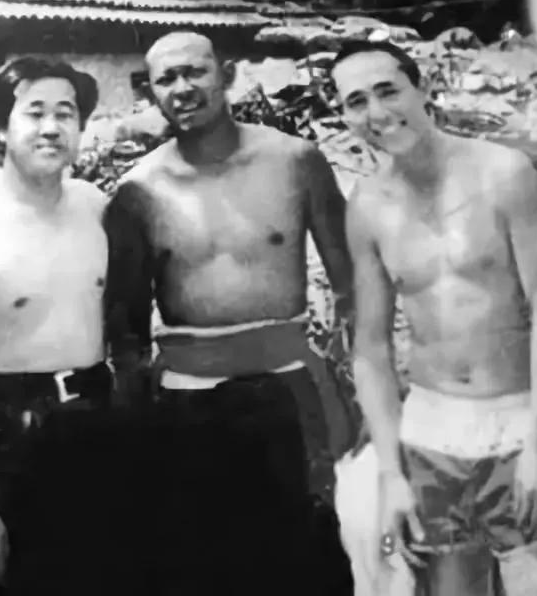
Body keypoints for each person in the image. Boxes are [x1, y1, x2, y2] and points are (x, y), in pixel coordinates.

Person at [104, 30, 356, 595]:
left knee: (308, 555)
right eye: (166, 79)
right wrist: (137, 424)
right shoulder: (137, 191)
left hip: (289, 385)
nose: (182, 88)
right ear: (151, 92)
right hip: (189, 396)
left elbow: (351, 285)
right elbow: (126, 327)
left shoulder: (296, 162)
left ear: (228, 73)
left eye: (195, 71)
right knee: (206, 563)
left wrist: (359, 388)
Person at [332, 39, 537, 595]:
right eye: (357, 101)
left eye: (388, 91)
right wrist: (391, 472)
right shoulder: (367, 206)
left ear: (424, 89)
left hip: (515, 416)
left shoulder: (503, 173)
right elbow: (370, 349)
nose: (377, 112)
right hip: (431, 429)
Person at [0, 57, 131, 595]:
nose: (51, 127)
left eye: (66, 113)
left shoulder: (95, 208)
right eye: (34, 112)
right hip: (10, 436)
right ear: (0, 128)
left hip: (95, 420)